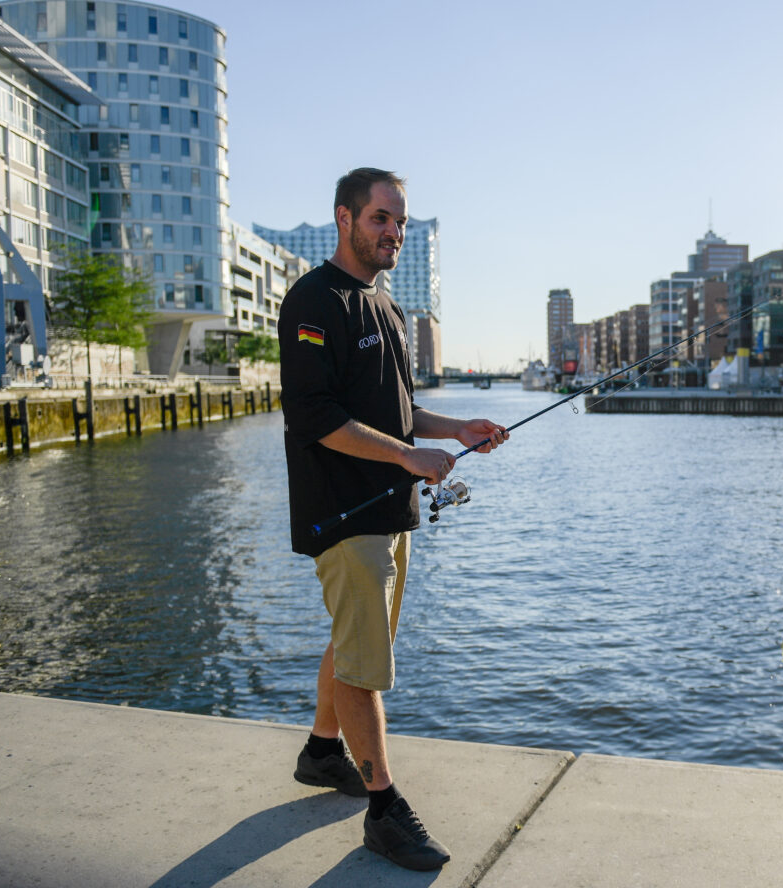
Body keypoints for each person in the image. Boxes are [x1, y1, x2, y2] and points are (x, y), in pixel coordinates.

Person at [278, 167, 507, 872]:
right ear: (344, 217)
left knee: (357, 643)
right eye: (381, 218)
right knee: (365, 664)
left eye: (401, 222)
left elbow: (401, 414)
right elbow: (314, 417)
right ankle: (383, 806)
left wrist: (457, 428)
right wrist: (411, 456)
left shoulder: (389, 308)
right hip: (343, 514)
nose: (394, 233)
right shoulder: (314, 301)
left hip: (388, 512)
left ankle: (323, 751)